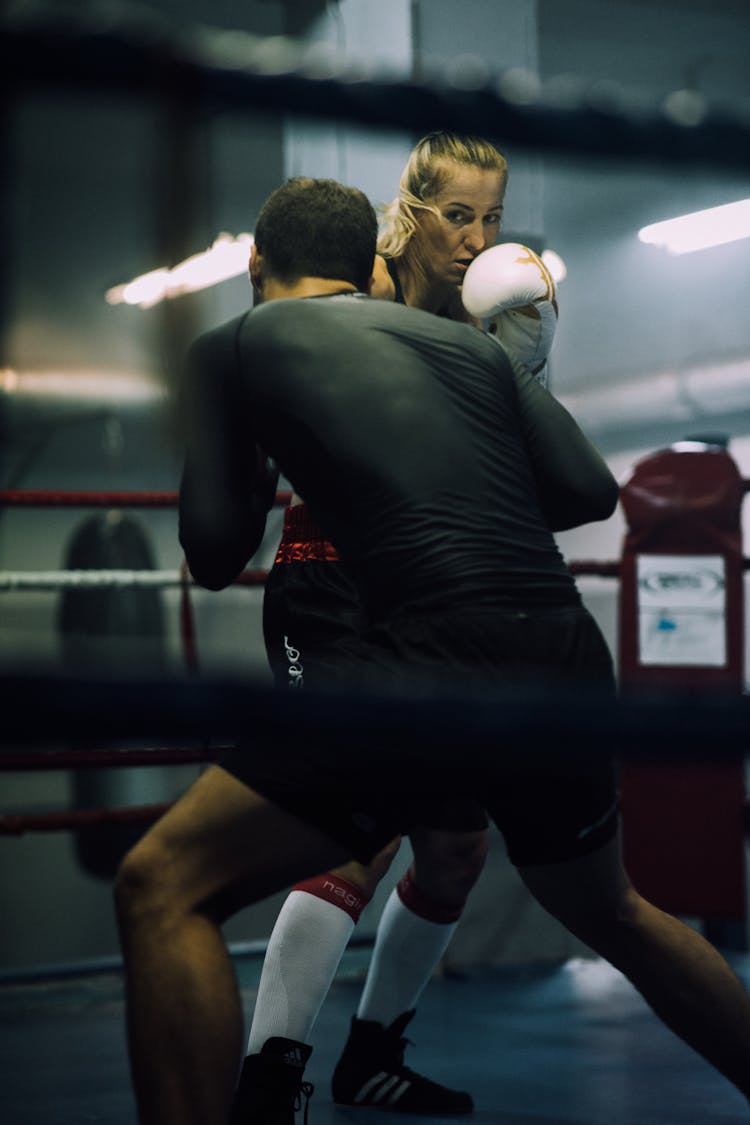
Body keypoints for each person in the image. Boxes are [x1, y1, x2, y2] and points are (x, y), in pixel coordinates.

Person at [115, 176, 750, 1125]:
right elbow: (586, 491)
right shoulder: (466, 347)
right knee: (615, 911)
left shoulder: (235, 344)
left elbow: (211, 557)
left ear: (255, 263)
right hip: (559, 645)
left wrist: (254, 463)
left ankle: (276, 1073)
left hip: (429, 650)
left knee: (162, 883)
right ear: (362, 264)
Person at [244, 131, 520, 1122]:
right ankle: (268, 1078)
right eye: (456, 215)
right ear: (411, 209)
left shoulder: (491, 314)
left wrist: (523, 363)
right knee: (350, 834)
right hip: (327, 595)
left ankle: (372, 1055)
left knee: (454, 849)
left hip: (421, 608)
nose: (474, 238)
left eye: (491, 217)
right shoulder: (348, 285)